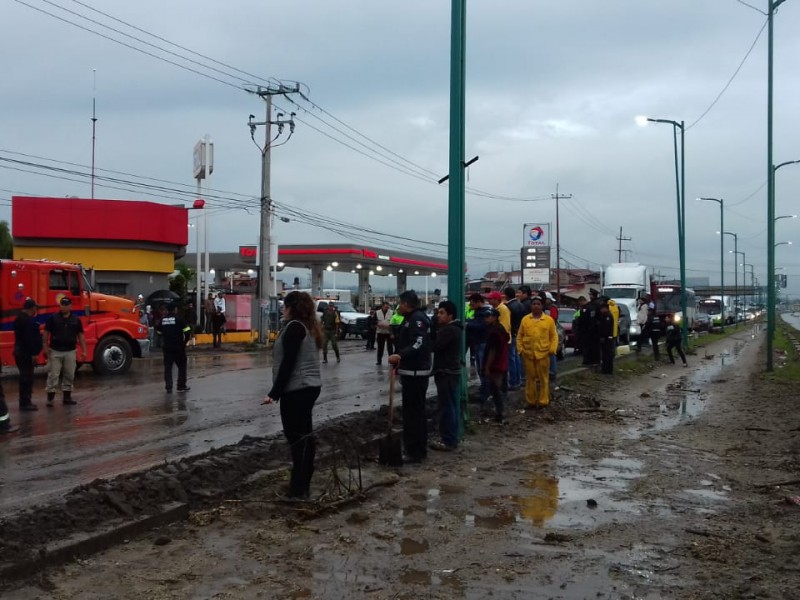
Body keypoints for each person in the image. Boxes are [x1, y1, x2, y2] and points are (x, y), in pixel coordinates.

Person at [264, 291, 323, 499]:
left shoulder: (294, 328)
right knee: (305, 435)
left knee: (297, 439)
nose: (282, 309)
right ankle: (302, 484)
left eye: (284, 305)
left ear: (291, 307)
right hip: (309, 387)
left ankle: (298, 490)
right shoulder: (308, 326)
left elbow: (288, 363)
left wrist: (275, 393)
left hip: (298, 388)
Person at [388, 290, 431, 464]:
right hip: (410, 373)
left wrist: (401, 355)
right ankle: (417, 449)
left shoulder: (417, 319)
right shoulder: (410, 318)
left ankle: (415, 451)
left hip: (416, 374)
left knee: (414, 415)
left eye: (400, 303)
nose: (398, 306)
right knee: (414, 413)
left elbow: (418, 342)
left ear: (406, 303)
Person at [430, 300, 462, 451]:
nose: (438, 316)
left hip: (446, 372)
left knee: (446, 407)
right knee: (449, 405)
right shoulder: (453, 329)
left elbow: (434, 346)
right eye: (438, 312)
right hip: (449, 371)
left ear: (451, 315)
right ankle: (450, 438)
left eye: (442, 313)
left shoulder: (449, 330)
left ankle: (448, 440)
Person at [44, 297, 87, 407]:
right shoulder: (53, 318)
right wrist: (45, 348)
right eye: (62, 304)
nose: (64, 306)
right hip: (55, 351)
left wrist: (84, 351)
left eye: (66, 304)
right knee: (53, 375)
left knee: (69, 374)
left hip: (70, 351)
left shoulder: (76, 320)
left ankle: (67, 398)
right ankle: (50, 398)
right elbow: (46, 333)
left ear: (70, 306)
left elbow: (81, 335)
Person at [517, 295, 558, 409]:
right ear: (531, 306)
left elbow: (554, 336)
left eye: (538, 304)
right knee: (530, 379)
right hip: (528, 354)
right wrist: (520, 349)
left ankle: (543, 401)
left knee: (544, 378)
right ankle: (531, 401)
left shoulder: (548, 320)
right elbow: (520, 336)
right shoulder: (525, 319)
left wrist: (552, 349)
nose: (535, 306)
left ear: (542, 306)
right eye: (534, 304)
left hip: (543, 354)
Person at [14, 298, 43, 412]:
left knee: (26, 377)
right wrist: (34, 354)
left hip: (21, 352)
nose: (36, 309)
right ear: (32, 308)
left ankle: (26, 401)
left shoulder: (20, 318)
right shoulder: (26, 321)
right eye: (35, 307)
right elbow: (29, 339)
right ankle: (25, 403)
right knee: (26, 378)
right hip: (25, 354)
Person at [156, 302, 192, 393]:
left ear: (167, 310)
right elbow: (187, 332)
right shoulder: (180, 319)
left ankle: (169, 387)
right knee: (182, 367)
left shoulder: (163, 320)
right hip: (178, 347)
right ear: (175, 309)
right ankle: (181, 386)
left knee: (168, 368)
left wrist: (163, 338)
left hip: (167, 347)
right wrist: (184, 343)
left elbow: (158, 332)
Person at [483, 307, 509, 423]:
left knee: (496, 388)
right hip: (502, 362)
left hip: (496, 364)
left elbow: (492, 350)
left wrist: (487, 367)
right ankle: (500, 412)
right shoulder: (500, 329)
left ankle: (501, 413)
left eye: (488, 316)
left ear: (494, 317)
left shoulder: (494, 332)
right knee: (499, 388)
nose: (486, 319)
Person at [465, 293, 491, 403]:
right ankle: (484, 389)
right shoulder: (479, 312)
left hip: (482, 343)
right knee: (480, 367)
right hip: (479, 342)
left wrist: (468, 324)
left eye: (472, 304)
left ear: (478, 302)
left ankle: (486, 391)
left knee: (483, 368)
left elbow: (482, 326)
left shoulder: (485, 313)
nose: (470, 306)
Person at [505, 287, 526, 390]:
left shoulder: (508, 307)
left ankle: (513, 381)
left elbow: (508, 322)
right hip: (519, 334)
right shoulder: (521, 305)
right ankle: (518, 379)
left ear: (506, 295)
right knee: (517, 358)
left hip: (511, 334)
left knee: (511, 359)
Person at [598, 302, 616, 375]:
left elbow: (606, 328)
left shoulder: (608, 316)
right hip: (607, 337)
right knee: (605, 354)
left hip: (607, 338)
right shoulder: (604, 315)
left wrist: (603, 336)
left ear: (605, 308)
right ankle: (606, 369)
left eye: (602, 309)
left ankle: (607, 370)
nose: (601, 310)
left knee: (607, 354)